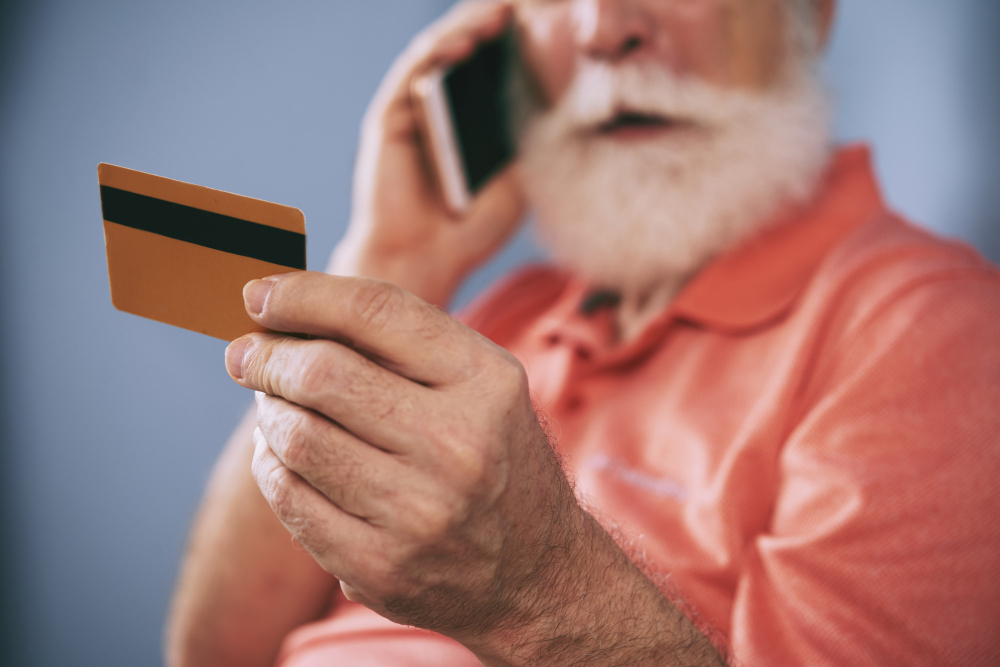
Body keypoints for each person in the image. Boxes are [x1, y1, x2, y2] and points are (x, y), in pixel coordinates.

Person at [165, 0, 1000, 665]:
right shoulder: (509, 312)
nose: (606, 27)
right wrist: (391, 257)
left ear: (808, 15)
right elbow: (209, 653)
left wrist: (535, 589)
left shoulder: (931, 333)